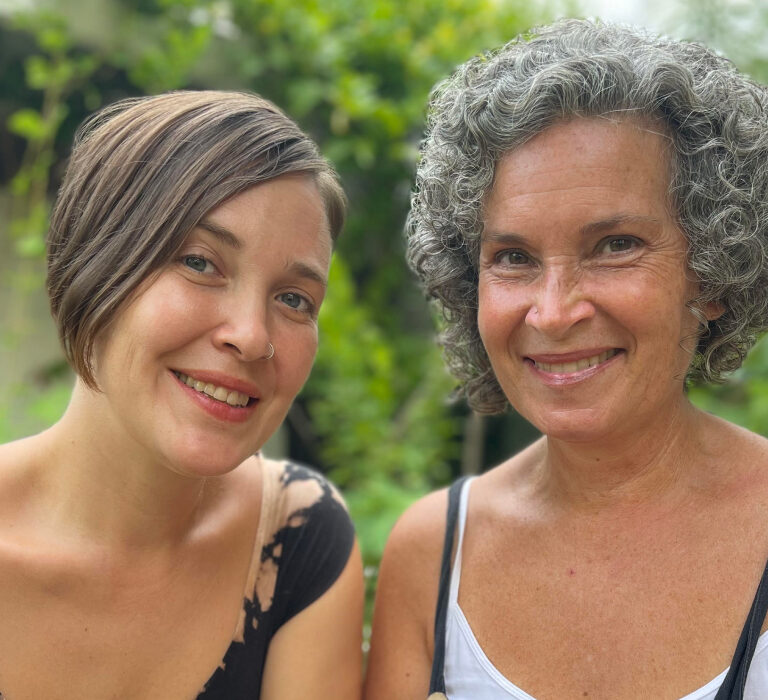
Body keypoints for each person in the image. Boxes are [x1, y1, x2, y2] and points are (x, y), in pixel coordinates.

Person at [364, 19, 768, 700]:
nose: (552, 312)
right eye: (514, 258)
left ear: (712, 273)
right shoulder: (433, 555)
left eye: (614, 245)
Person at [0, 90, 363, 699]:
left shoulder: (297, 540)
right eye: (200, 262)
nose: (251, 336)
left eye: (294, 299)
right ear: (96, 260)